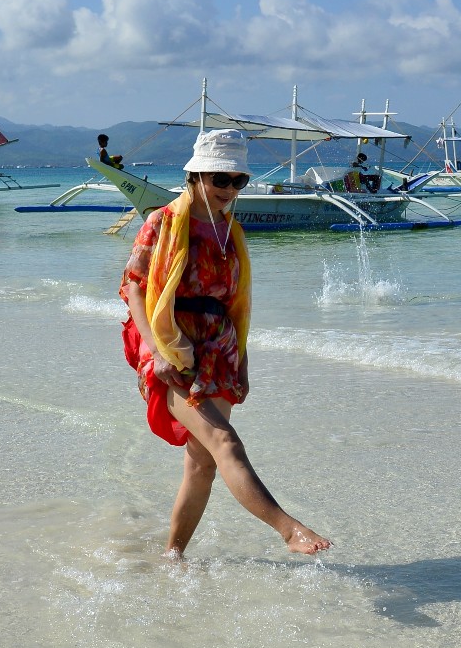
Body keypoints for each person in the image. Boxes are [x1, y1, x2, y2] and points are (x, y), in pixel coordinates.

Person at [119, 129, 330, 558]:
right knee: (226, 443)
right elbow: (134, 289)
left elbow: (235, 303)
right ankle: (288, 529)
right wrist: (158, 352)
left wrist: (243, 361)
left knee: (202, 465)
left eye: (239, 181)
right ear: (196, 175)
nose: (229, 190)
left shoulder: (230, 229)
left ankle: (172, 555)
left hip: (219, 348)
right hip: (172, 344)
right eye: (221, 179)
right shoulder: (161, 222)